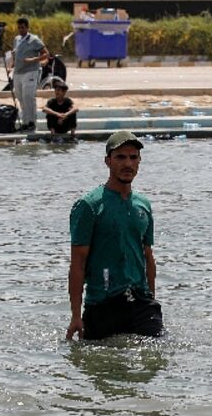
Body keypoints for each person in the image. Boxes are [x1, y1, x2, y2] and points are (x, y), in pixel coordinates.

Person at [66, 131, 163, 341]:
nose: (128, 163)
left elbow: (148, 256)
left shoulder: (143, 205)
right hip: (103, 304)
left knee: (154, 364)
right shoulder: (89, 206)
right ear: (108, 161)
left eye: (133, 157)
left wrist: (152, 299)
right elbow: (77, 264)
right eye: (120, 157)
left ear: (139, 161)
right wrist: (75, 315)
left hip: (141, 303)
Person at [11, 18, 48, 132]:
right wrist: (12, 63)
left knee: (28, 97)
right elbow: (16, 54)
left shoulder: (34, 40)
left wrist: (34, 59)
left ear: (27, 27)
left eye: (23, 27)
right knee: (20, 97)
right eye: (19, 27)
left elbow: (46, 54)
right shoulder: (17, 39)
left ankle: (32, 122)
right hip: (18, 72)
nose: (21, 30)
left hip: (31, 71)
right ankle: (25, 122)